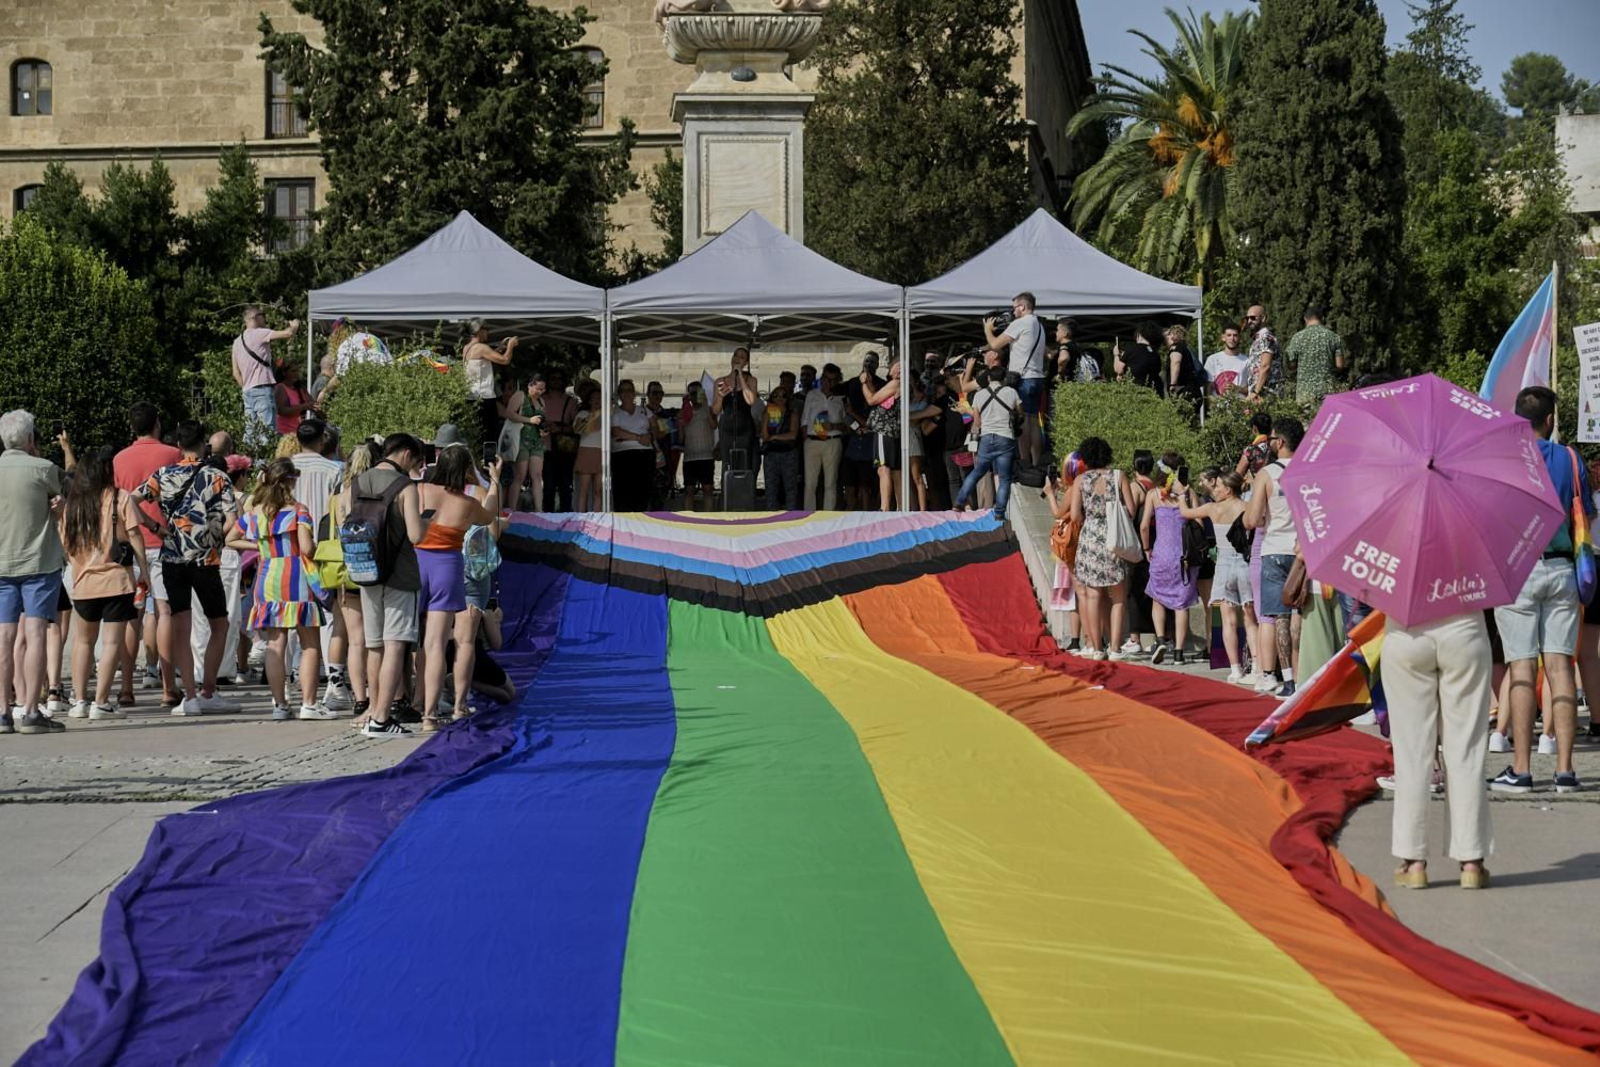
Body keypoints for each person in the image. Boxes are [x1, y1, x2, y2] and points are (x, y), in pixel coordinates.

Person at [1490, 386, 1591, 795]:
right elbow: (1585, 514)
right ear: (1550, 420)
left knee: (1521, 668)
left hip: (1518, 571)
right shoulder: (1570, 458)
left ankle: (1521, 769)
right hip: (1563, 569)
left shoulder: (1502, 460)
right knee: (1561, 668)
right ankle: (1565, 770)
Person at [136, 421, 242, 717]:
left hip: (172, 557)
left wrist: (154, 527)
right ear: (203, 443)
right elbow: (233, 520)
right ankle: (209, 690)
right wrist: (214, 538)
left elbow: (129, 501)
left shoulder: (163, 475)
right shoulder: (217, 476)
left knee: (181, 627)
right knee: (219, 624)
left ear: (179, 445)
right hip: (205, 559)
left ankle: (191, 697)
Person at [1386, 606, 1493, 890]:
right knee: (1467, 751)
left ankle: (1413, 861)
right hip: (1464, 624)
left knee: (1411, 754)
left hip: (1406, 628)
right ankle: (1471, 860)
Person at [227, 458, 332, 720]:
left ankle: (280, 705)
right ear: (291, 481)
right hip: (297, 578)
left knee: (276, 643)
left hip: (268, 577)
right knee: (309, 644)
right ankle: (309, 704)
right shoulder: (299, 511)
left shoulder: (255, 513)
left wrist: (259, 547)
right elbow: (306, 548)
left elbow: (230, 539)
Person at [417, 445, 502, 729]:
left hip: (417, 563)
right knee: (437, 643)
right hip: (448, 566)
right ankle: (432, 715)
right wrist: (495, 482)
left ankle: (413, 700)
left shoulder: (420, 491)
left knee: (411, 642)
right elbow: (490, 518)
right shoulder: (467, 503)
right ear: (467, 469)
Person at [352, 433, 427, 737]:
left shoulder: (356, 483)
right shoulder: (405, 487)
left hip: (366, 571)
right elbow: (416, 535)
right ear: (406, 454)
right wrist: (427, 522)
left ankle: (372, 710)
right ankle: (382, 719)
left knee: (374, 645)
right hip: (400, 574)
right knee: (395, 643)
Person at [0, 411, 69, 735]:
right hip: (39, 562)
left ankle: (3, 711)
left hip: (2, 562)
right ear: (30, 439)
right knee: (37, 632)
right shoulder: (43, 468)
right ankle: (30, 710)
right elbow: (65, 495)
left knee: (5, 637)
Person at [58, 446, 140, 721]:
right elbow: (135, 536)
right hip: (116, 581)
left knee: (82, 642)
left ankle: (80, 700)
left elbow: (66, 545)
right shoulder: (120, 497)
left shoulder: (73, 505)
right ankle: (101, 702)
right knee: (111, 643)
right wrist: (144, 572)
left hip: (83, 583)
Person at [114, 401, 180, 709]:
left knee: (132, 617)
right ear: (157, 423)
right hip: (164, 543)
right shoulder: (172, 455)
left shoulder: (119, 459)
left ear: (132, 426)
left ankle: (126, 688)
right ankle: (168, 687)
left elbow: (118, 504)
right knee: (164, 612)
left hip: (129, 544)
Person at [290, 419, 349, 709]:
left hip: (288, 545)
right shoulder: (334, 469)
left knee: (290, 617)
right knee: (328, 614)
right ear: (322, 439)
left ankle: (291, 677)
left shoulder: (284, 468)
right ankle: (331, 681)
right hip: (322, 546)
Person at [1245, 417, 1303, 698]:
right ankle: (1303, 676)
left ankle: (1286, 680)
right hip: (1303, 552)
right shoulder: (1310, 470)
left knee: (1278, 617)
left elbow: (1253, 519)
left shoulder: (1266, 474)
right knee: (1300, 616)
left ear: (1279, 442)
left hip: (1274, 550)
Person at [1069, 436, 1138, 660]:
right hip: (1114, 538)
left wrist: (1090, 519)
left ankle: (1097, 648)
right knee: (1118, 597)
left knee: (1092, 596)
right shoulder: (1119, 476)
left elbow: (1075, 516)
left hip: (1090, 539)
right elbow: (1131, 510)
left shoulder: (1080, 480)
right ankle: (1115, 648)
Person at [1183, 471, 1251, 682]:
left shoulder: (1213, 508)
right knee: (1250, 619)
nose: (1215, 489)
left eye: (1218, 486)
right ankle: (1258, 667)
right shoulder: (1246, 507)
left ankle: (1235, 668)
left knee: (1228, 621)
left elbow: (1185, 512)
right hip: (1244, 564)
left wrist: (1182, 494)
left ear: (1228, 489)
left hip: (1223, 566)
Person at [333, 441, 381, 722]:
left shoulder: (341, 496)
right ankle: (378, 696)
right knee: (376, 638)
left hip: (349, 567)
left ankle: (360, 698)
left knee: (355, 640)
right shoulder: (376, 494)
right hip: (375, 569)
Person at [1142, 460, 1199, 665]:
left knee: (1157, 598)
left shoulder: (1154, 494)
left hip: (1161, 553)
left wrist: (1146, 548)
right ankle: (1179, 653)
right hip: (1184, 555)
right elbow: (1199, 523)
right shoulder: (1189, 494)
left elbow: (1144, 526)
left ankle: (1160, 639)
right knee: (1181, 604)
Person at [983, 292, 1048, 468]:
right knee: (1034, 420)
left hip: (1023, 378)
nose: (1012, 312)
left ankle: (1025, 462)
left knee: (1023, 420)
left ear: (1023, 307)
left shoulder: (1020, 323)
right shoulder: (1039, 325)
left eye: (1014, 308)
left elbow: (995, 345)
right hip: (1037, 377)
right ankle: (1036, 462)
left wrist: (987, 330)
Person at [954, 366, 1022, 522]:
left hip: (986, 438)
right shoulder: (1011, 392)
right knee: (1004, 478)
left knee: (976, 473)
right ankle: (999, 513)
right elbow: (1020, 412)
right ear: (1004, 378)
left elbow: (977, 422)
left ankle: (958, 503)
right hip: (1005, 438)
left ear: (989, 378)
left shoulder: (979, 394)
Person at [231, 306, 300, 452]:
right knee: (266, 434)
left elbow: (236, 373)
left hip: (247, 391)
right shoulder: (259, 333)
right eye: (263, 315)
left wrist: (246, 386)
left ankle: (249, 463)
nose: (265, 319)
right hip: (262, 389)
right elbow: (288, 333)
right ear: (255, 318)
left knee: (250, 434)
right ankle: (265, 465)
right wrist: (294, 325)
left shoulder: (237, 342)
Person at [462, 320, 518, 449]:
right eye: (486, 329)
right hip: (484, 398)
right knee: (490, 437)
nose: (488, 332)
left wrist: (500, 348)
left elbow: (483, 359)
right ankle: (490, 460)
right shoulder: (481, 348)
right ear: (479, 331)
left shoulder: (467, 347)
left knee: (478, 436)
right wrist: (511, 346)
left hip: (472, 397)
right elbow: (505, 360)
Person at [713, 348, 761, 493]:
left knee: (744, 464)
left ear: (746, 362)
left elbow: (751, 401)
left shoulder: (751, 380)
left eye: (742, 357)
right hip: (727, 428)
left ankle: (743, 499)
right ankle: (727, 498)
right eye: (735, 355)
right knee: (727, 464)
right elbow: (715, 410)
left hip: (745, 428)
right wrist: (720, 396)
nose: (737, 358)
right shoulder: (720, 381)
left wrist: (740, 376)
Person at [862, 360, 906, 512]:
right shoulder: (901, 384)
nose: (898, 368)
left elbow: (871, 400)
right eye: (897, 365)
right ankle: (901, 508)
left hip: (885, 430)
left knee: (883, 468)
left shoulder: (895, 383)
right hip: (895, 431)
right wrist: (869, 382)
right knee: (896, 471)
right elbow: (877, 395)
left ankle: (885, 508)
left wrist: (863, 383)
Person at [841, 353, 881, 511]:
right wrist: (854, 426)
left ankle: (866, 514)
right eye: (867, 361)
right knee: (849, 485)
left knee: (866, 486)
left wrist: (856, 417)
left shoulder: (882, 386)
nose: (869, 364)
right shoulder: (852, 383)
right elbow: (846, 414)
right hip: (852, 441)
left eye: (872, 362)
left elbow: (874, 422)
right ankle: (850, 513)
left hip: (870, 443)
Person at [1287, 306, 1347, 405]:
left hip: (1304, 392)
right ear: (1322, 318)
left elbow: (1291, 365)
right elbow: (1340, 365)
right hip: (1327, 390)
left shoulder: (1297, 338)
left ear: (1305, 319)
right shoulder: (1334, 337)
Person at [611, 379, 655, 512]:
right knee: (623, 494)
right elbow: (616, 431)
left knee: (643, 493)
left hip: (644, 454)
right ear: (619, 394)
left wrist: (650, 436)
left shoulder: (645, 410)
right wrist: (639, 437)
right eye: (623, 390)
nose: (627, 393)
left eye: (629, 390)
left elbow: (656, 428)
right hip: (622, 455)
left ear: (634, 393)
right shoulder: (614, 412)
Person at [541, 369, 578, 512]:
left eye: (559, 378)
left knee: (565, 488)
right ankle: (547, 517)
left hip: (565, 450)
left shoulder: (571, 401)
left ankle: (566, 517)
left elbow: (577, 427)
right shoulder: (540, 399)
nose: (555, 381)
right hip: (545, 449)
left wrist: (559, 428)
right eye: (552, 378)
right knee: (548, 487)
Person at [509, 373, 547, 511]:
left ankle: (539, 510)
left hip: (536, 440)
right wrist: (529, 420)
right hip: (521, 439)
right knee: (520, 475)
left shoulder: (541, 402)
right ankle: (512, 509)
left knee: (537, 475)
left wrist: (543, 430)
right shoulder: (520, 395)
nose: (540, 392)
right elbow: (509, 413)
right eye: (538, 389)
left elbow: (542, 421)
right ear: (530, 385)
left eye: (543, 389)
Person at [760, 382, 802, 509]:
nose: (780, 398)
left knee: (790, 488)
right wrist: (766, 418)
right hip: (771, 454)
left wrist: (775, 437)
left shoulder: (792, 413)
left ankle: (791, 514)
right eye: (776, 395)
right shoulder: (768, 413)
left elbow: (793, 435)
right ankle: (771, 514)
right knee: (771, 488)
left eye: (783, 396)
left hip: (788, 453)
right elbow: (765, 437)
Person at [679, 380, 717, 511]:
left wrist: (706, 406)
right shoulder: (683, 412)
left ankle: (708, 517)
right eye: (692, 393)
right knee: (689, 490)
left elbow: (714, 425)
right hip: (690, 456)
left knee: (708, 489)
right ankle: (688, 517)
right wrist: (680, 424)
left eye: (698, 392)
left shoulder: (709, 409)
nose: (695, 396)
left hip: (706, 455)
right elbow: (680, 438)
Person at [572, 380, 604, 512]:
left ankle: (597, 516)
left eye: (599, 398)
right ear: (589, 400)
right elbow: (578, 429)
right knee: (584, 489)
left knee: (598, 490)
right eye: (594, 398)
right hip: (586, 451)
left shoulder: (607, 415)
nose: (597, 400)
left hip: (602, 452)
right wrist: (594, 414)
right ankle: (581, 516)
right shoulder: (582, 414)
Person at [1242, 305, 1283, 398]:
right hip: (1260, 393)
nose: (1249, 321)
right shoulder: (1258, 338)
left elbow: (1265, 366)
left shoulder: (1266, 337)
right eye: (1247, 318)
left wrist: (1256, 392)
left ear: (1263, 318)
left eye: (1253, 318)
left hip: (1267, 393)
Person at [1113, 323, 1165, 395]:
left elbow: (1118, 370)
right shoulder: (1155, 353)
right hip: (1154, 391)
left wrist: (1116, 354)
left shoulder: (1131, 349)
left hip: (1136, 391)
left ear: (1139, 334)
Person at [274, 359, 316, 437]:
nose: (296, 374)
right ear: (284, 373)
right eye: (293, 371)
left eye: (297, 371)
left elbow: (312, 403)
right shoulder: (280, 388)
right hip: (283, 432)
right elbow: (281, 411)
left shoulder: (299, 388)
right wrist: (304, 406)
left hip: (296, 431)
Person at [1164, 324, 1203, 405]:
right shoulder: (1186, 349)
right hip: (1193, 391)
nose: (1166, 338)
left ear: (1174, 335)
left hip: (1183, 392)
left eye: (1168, 335)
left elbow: (1176, 363)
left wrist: (1173, 385)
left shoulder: (1176, 348)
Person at [1205, 323, 1247, 394]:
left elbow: (1252, 390)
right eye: (1229, 335)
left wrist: (1237, 388)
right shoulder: (1212, 359)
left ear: (1240, 338)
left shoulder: (1247, 361)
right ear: (1223, 338)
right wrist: (1211, 401)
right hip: (1218, 401)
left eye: (1235, 335)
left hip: (1240, 401)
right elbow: (1208, 387)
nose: (1232, 338)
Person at [1236, 411, 1275, 477]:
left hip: (1257, 482)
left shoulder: (1251, 450)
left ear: (1255, 428)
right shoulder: (1276, 445)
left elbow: (1237, 474)